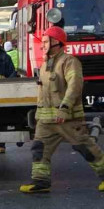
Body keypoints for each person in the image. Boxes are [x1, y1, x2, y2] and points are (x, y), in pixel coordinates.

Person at [21, 26, 104, 193]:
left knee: (85, 147)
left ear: (56, 42)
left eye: (45, 42)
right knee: (39, 148)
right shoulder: (46, 63)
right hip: (46, 120)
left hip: (67, 119)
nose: (42, 45)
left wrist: (64, 108)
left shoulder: (69, 61)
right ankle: (41, 182)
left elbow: (75, 86)